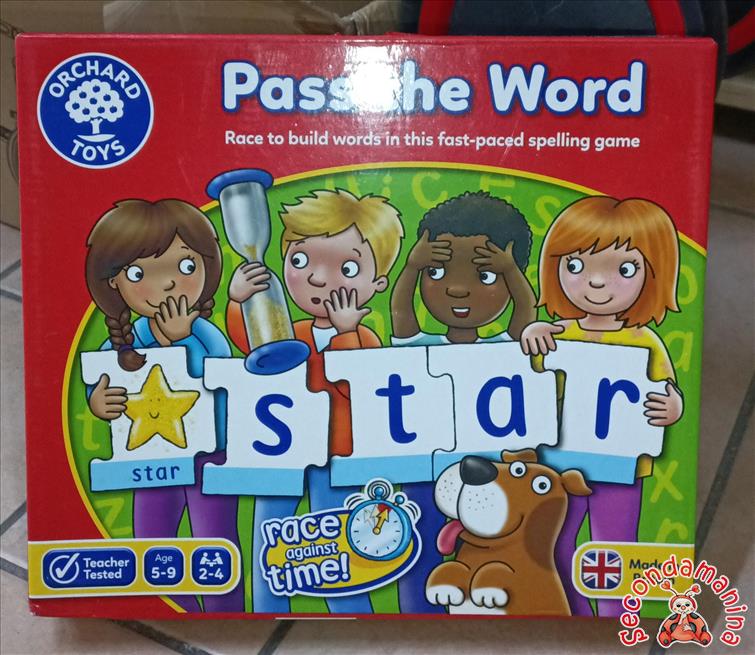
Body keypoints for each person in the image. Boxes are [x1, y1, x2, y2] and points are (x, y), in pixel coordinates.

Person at [226, 188, 404, 614]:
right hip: (279, 453)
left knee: (343, 541)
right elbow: (252, 345)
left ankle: (351, 610)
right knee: (270, 538)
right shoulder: (288, 328)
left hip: (337, 456)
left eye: (347, 268)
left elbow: (360, 388)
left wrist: (345, 332)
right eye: (301, 261)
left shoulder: (364, 338)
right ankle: (266, 608)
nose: (320, 280)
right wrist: (238, 300)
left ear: (377, 285)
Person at [520, 195, 684, 617]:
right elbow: (522, 384)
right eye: (575, 265)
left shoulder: (644, 341)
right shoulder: (556, 333)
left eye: (624, 270)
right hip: (558, 466)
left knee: (614, 548)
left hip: (620, 468)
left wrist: (672, 407)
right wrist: (531, 336)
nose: (595, 282)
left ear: (653, 275)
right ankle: (572, 611)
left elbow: (667, 391)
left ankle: (616, 616)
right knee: (555, 543)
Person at [85, 198, 243, 612]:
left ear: (207, 267)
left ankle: (225, 609)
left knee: (216, 540)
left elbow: (217, 379)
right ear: (114, 283)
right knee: (153, 541)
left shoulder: (206, 333)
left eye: (186, 266)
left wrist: (182, 339)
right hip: (149, 458)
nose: (169, 283)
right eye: (140, 273)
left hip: (210, 456)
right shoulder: (127, 339)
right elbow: (101, 379)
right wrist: (99, 401)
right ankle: (172, 606)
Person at [390, 190, 537, 613]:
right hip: (422, 470)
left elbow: (525, 319)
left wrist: (510, 272)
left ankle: (491, 598)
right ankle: (417, 608)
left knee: (494, 546)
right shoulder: (422, 346)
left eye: (485, 277)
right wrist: (412, 267)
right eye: (437, 272)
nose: (456, 288)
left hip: (490, 475)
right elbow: (401, 314)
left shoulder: (504, 349)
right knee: (417, 545)